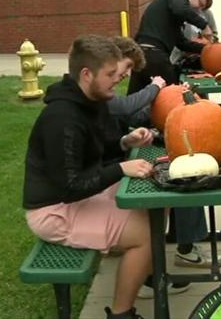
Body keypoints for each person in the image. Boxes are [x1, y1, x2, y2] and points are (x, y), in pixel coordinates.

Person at [23, 34, 156, 319]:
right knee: (146, 233)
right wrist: (121, 168)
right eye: (110, 74)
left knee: (155, 196)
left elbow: (95, 150)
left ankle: (143, 269)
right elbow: (70, 186)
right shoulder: (62, 118)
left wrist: (125, 142)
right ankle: (121, 313)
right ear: (86, 74)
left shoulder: (89, 99)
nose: (117, 79)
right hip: (54, 211)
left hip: (77, 196)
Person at [127, 0, 221, 279]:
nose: (196, 9)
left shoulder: (172, 20)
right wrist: (205, 25)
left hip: (146, 55)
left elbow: (183, 44)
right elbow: (183, 10)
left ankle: (138, 135)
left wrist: (206, 48)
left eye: (201, 7)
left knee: (134, 112)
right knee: (174, 102)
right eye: (198, 3)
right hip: (152, 55)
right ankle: (166, 135)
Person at [127, 0, 213, 94]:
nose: (199, 10)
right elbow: (181, 10)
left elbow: (181, 43)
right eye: (200, 4)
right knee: (175, 96)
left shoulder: (173, 17)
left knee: (136, 99)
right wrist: (204, 26)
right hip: (154, 54)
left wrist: (207, 48)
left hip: (142, 55)